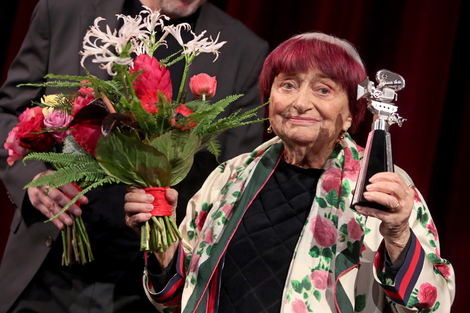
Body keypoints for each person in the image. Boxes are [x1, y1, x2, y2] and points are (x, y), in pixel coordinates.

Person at [124, 32, 456, 313]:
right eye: (288, 85)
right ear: (269, 100)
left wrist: (397, 233)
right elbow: (172, 297)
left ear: (351, 114)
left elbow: (432, 304)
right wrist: (160, 236)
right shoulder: (230, 176)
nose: (300, 103)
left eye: (323, 89)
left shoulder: (384, 188)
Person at [0, 0, 269, 312]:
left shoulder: (243, 49)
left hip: (143, 286)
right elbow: (11, 111)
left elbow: (233, 179)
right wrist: (31, 177)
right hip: (48, 264)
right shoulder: (65, 9)